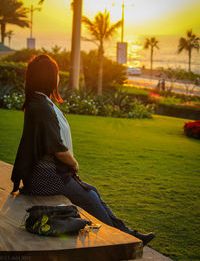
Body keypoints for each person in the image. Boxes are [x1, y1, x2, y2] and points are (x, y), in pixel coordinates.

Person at [11, 55, 155, 246]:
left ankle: (129, 233)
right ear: (48, 77)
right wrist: (74, 163)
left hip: (44, 174)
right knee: (90, 198)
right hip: (46, 178)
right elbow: (58, 150)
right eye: (56, 73)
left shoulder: (37, 102)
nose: (58, 78)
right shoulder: (42, 106)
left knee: (92, 192)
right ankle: (127, 239)